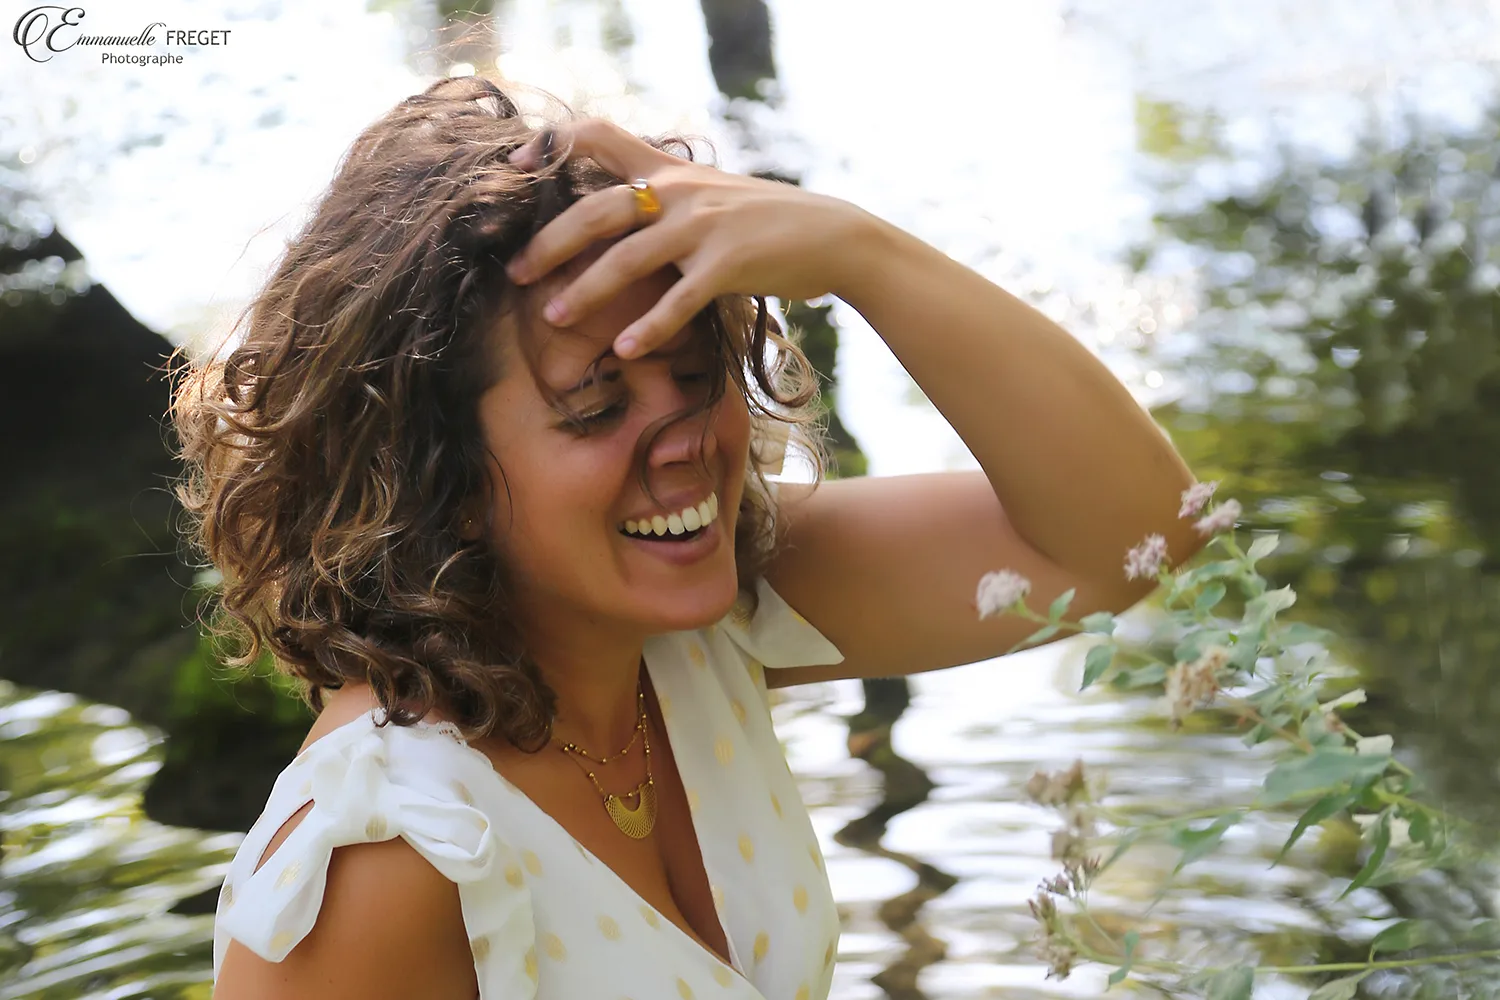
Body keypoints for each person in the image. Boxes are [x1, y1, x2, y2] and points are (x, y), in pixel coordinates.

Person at [181, 75, 1205, 1000]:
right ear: (432, 475)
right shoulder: (385, 854)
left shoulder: (698, 621)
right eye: (593, 404)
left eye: (694, 372)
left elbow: (1131, 544)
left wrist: (858, 252)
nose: (686, 445)